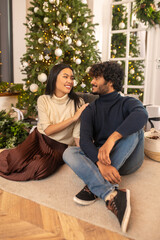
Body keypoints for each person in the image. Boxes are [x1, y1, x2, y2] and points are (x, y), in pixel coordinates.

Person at [63, 61, 148, 233]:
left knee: (134, 131)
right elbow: (85, 141)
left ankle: (93, 185)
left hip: (129, 159)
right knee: (69, 152)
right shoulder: (90, 109)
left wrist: (112, 139)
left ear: (110, 82)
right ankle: (111, 193)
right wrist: (100, 163)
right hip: (103, 161)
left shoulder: (127, 103)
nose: (92, 81)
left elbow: (142, 116)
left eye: (97, 78)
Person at [0, 63, 88, 181]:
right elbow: (47, 130)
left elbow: (77, 135)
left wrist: (85, 155)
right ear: (54, 78)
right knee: (13, 162)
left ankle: (34, 159)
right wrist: (73, 118)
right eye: (65, 77)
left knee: (39, 169)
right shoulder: (43, 99)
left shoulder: (78, 102)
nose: (70, 81)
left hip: (59, 147)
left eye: (72, 78)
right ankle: (13, 153)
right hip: (39, 138)